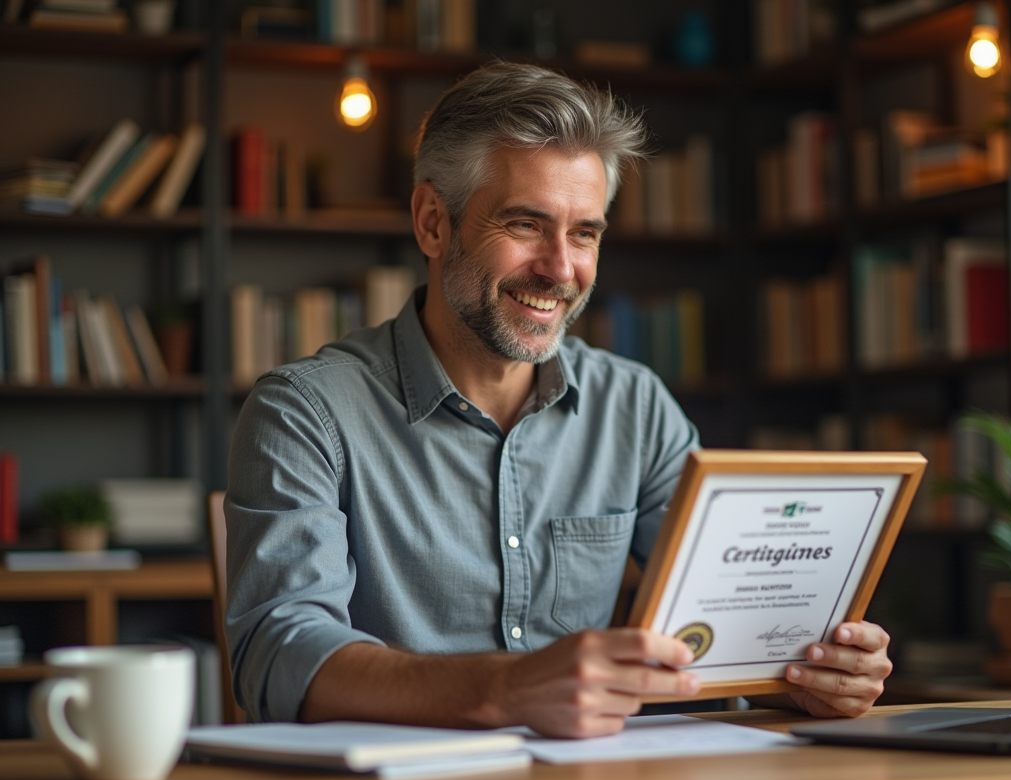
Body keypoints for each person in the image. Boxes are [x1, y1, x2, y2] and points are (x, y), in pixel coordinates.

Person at [224, 61, 891, 739]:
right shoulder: (304, 412)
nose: (561, 269)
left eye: (585, 233)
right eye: (525, 225)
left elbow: (727, 626)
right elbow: (278, 657)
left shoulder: (635, 407)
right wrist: (506, 689)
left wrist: (807, 676)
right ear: (433, 223)